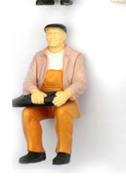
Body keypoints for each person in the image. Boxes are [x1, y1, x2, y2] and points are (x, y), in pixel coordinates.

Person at [19, 24, 87, 165]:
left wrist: (67, 93)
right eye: (48, 34)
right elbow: (29, 79)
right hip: (43, 102)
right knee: (27, 113)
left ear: (64, 36)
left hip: (66, 101)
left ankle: (63, 152)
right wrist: (34, 91)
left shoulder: (76, 57)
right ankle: (35, 151)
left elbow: (81, 82)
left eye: (56, 33)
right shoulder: (38, 57)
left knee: (62, 112)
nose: (51, 37)